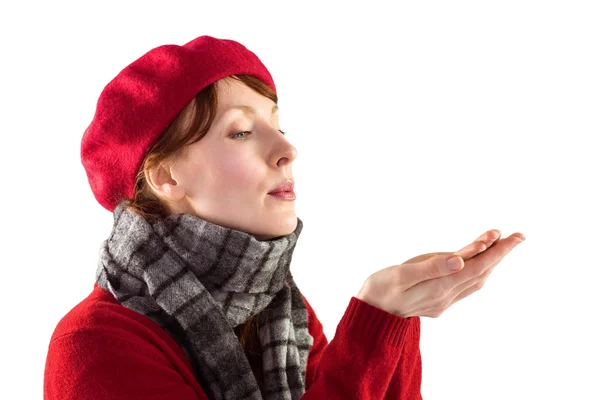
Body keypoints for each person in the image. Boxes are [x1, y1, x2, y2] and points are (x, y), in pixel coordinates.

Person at [43, 35, 526, 400]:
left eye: (277, 125)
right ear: (166, 176)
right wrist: (373, 325)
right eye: (240, 133)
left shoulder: (281, 311)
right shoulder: (94, 346)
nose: (286, 150)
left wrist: (396, 320)